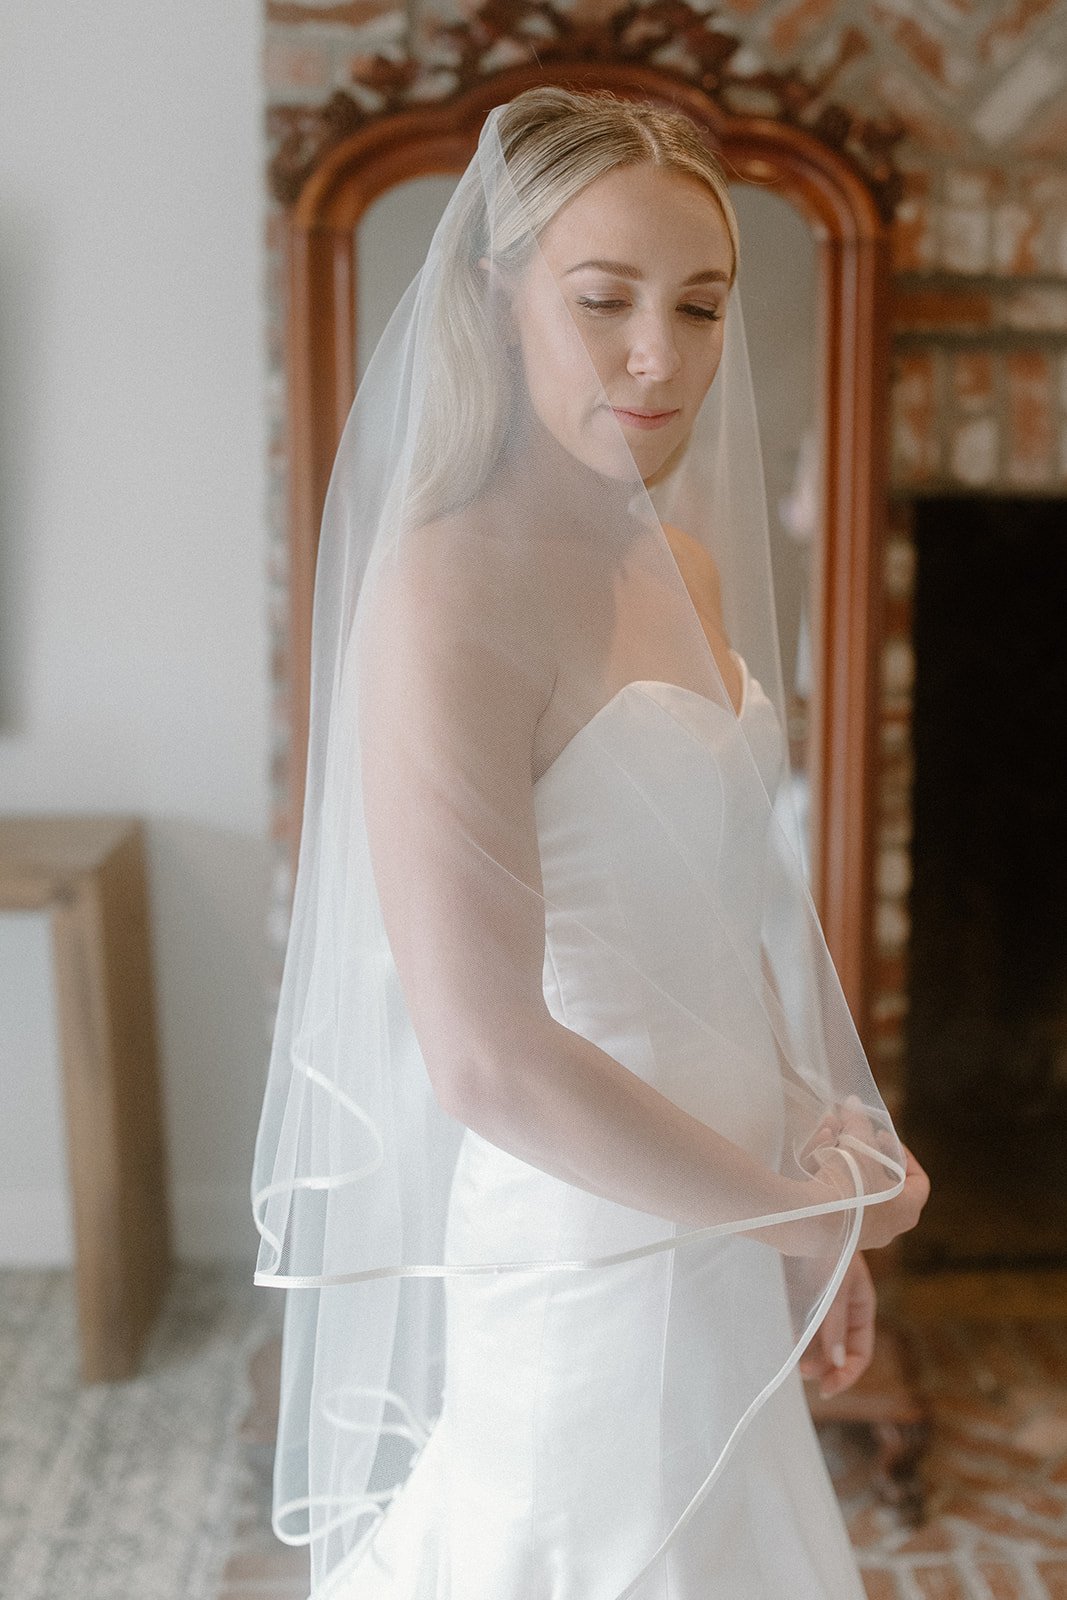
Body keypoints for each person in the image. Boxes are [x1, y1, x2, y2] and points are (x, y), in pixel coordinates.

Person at [252, 86, 930, 1599]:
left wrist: (810, 1200)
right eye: (604, 298)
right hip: (584, 1244)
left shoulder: (680, 563)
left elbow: (720, 929)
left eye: (699, 306)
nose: (660, 357)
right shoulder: (444, 598)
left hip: (728, 1202)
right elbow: (489, 1061)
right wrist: (803, 1217)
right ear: (499, 300)